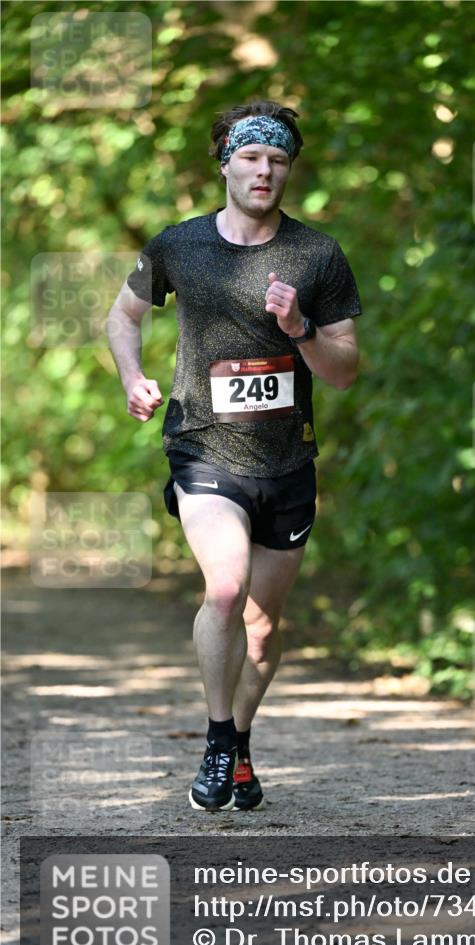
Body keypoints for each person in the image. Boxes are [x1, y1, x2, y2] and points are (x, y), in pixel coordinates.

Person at [107, 100, 362, 813]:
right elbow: (122, 315)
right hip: (201, 447)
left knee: (262, 624)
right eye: (251, 157)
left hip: (287, 462)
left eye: (278, 160)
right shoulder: (178, 246)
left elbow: (342, 370)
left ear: (289, 170)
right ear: (224, 162)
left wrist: (299, 326)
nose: (265, 171)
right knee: (225, 587)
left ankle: (240, 742)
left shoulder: (316, 256)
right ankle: (218, 739)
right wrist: (132, 376)